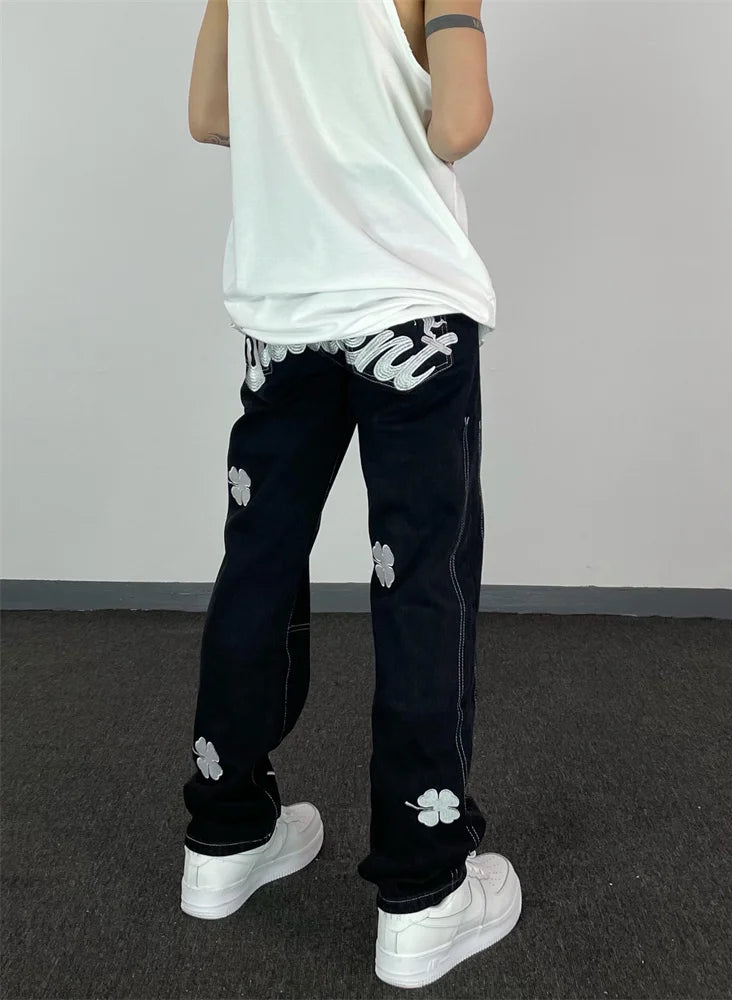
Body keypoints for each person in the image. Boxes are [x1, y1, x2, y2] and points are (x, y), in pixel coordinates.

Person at [181, 0, 521, 988]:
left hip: (286, 308)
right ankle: (423, 888)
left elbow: (211, 113)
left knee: (259, 562)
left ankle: (225, 832)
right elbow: (459, 122)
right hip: (404, 304)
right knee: (418, 583)